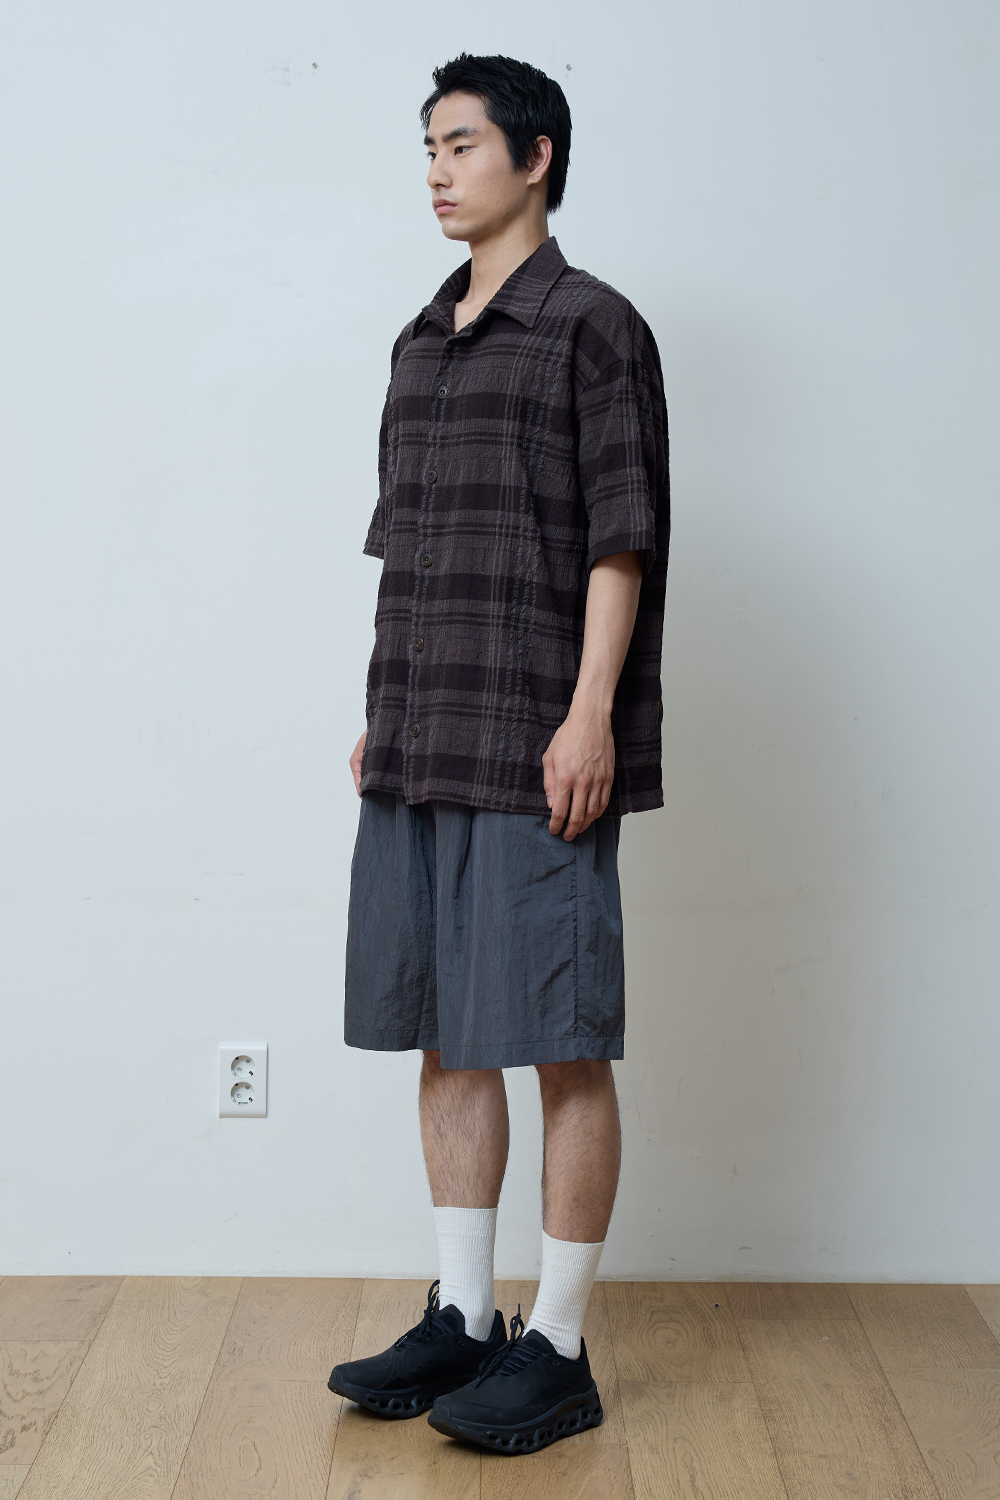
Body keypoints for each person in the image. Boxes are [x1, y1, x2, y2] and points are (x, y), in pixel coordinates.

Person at [328, 53, 669, 1455]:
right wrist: (385, 705)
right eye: (428, 146)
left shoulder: (594, 326)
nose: (436, 168)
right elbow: (405, 551)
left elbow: (620, 538)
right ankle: (465, 1314)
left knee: (560, 1039)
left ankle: (561, 1346)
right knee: (444, 1030)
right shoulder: (420, 340)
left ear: (536, 158)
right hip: (422, 733)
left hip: (538, 739)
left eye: (461, 143)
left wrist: (590, 714)